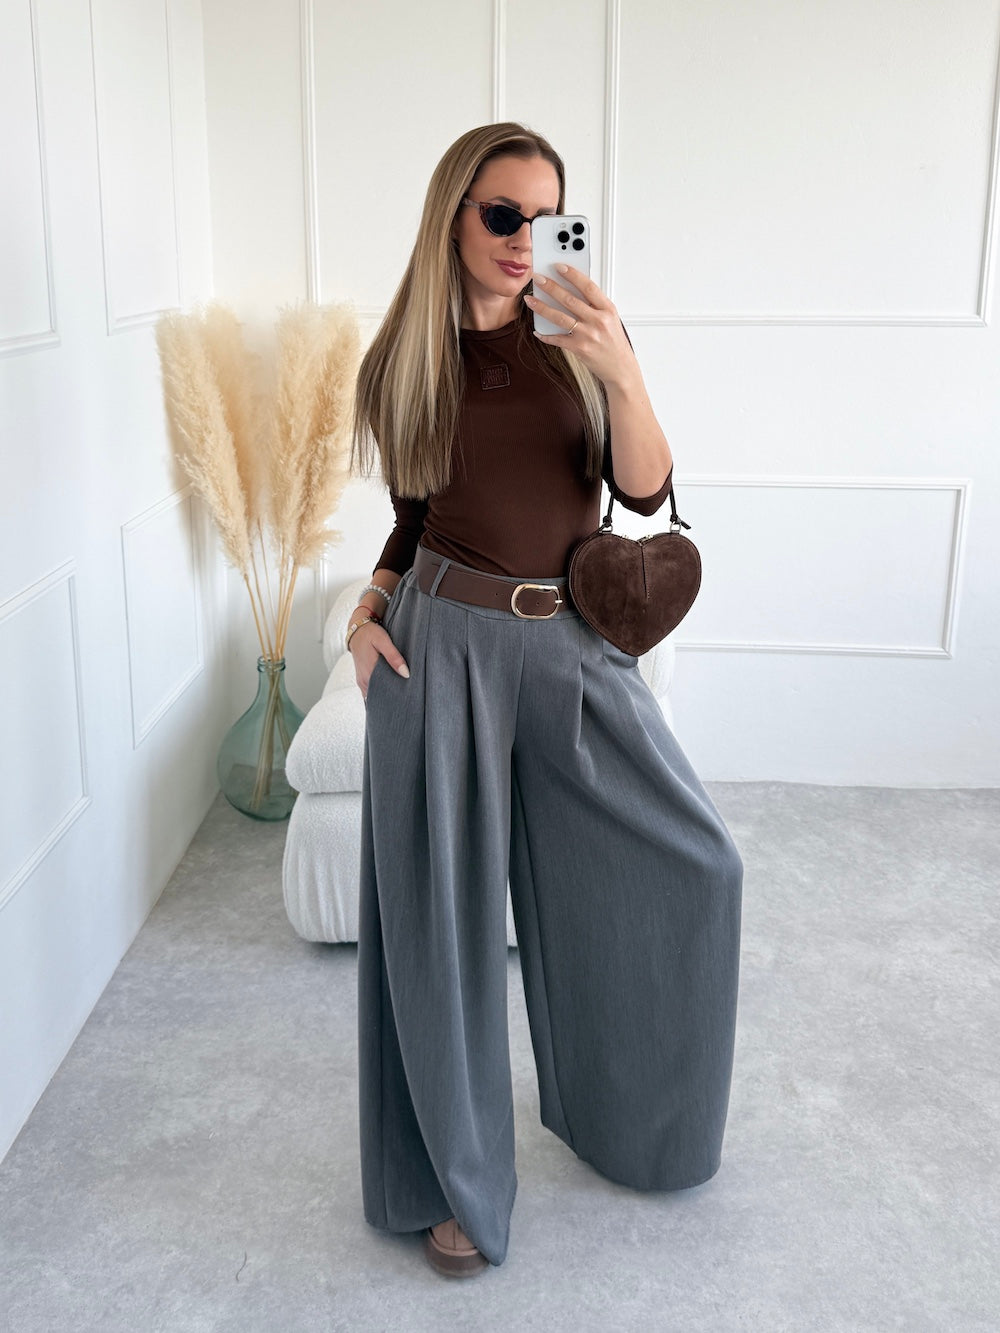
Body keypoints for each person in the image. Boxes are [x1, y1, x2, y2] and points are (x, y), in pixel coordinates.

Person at [348, 122, 742, 1278]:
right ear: (452, 218)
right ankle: (454, 1182)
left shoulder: (579, 341)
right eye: (501, 214)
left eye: (545, 215)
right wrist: (366, 610)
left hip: (571, 644)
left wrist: (620, 367)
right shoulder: (403, 363)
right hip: (441, 650)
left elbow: (646, 490)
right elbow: (413, 517)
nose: (525, 237)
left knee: (698, 865)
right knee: (442, 933)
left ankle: (633, 1123)